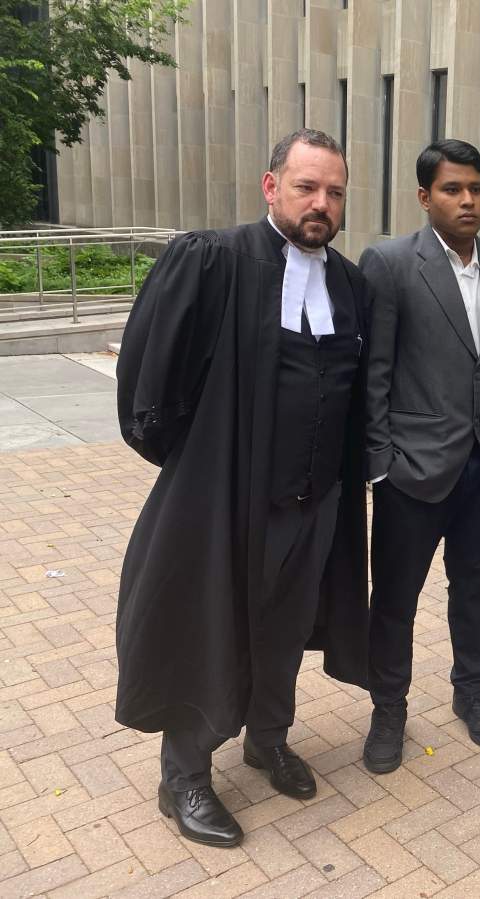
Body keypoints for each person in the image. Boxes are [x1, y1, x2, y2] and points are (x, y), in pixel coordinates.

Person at [115, 129, 371, 848]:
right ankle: (184, 775)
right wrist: (197, 467)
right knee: (209, 625)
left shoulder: (348, 284)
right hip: (227, 497)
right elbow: (148, 378)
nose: (321, 203)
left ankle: (267, 738)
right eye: (306, 187)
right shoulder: (216, 260)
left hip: (315, 501)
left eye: (334, 192)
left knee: (287, 626)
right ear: (270, 187)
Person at [359, 139, 480, 772]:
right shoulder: (387, 264)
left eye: (476, 189)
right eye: (452, 190)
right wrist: (380, 461)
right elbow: (373, 372)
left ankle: (471, 690)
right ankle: (389, 708)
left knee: (475, 587)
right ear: (424, 196)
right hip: (413, 469)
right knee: (397, 597)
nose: (467, 201)